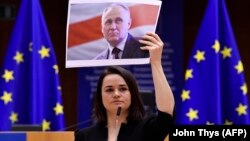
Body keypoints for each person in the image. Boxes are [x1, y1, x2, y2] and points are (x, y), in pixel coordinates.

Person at [75, 32, 175, 141]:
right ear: (100, 96)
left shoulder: (147, 129)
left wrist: (156, 62)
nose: (116, 94)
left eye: (123, 89)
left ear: (133, 94)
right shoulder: (84, 136)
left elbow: (166, 111)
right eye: (109, 90)